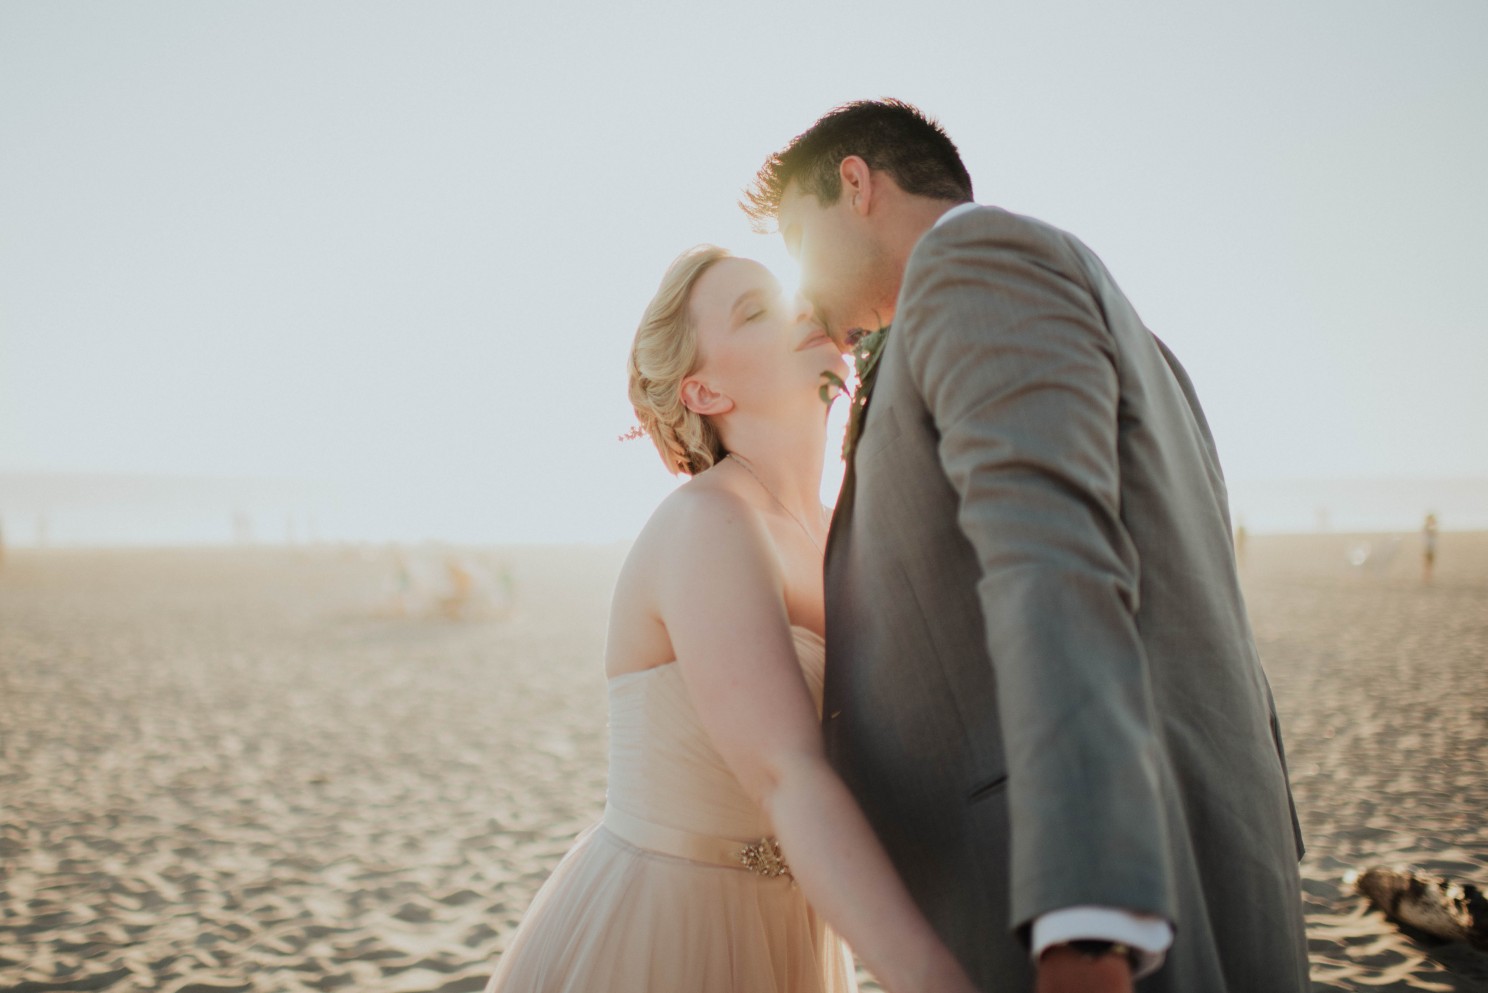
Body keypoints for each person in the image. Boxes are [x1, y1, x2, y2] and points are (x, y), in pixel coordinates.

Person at [743, 100, 1309, 993]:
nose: (797, 280)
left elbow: (1056, 568)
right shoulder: (1125, 330)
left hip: (1081, 904)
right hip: (1194, 860)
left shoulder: (975, 264)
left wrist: (1086, 920)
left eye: (793, 236)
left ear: (855, 184)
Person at [484, 246, 978, 993]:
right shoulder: (708, 522)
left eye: (791, 297)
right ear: (705, 390)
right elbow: (786, 772)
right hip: (671, 926)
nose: (801, 311)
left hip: (798, 931)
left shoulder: (846, 530)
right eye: (755, 311)